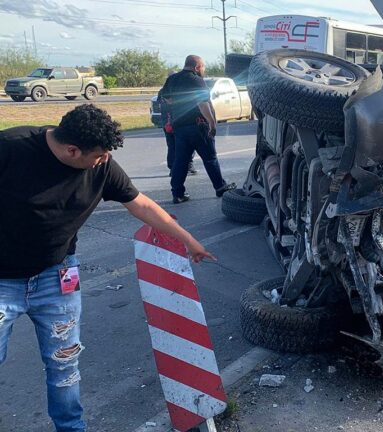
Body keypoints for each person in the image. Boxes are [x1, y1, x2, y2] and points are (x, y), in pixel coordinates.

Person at [0, 104, 214, 432]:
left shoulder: (101, 165)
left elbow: (140, 204)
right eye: (98, 156)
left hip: (57, 278)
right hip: (3, 281)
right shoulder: (11, 149)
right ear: (72, 150)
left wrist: (187, 239)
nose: (104, 161)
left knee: (64, 365)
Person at [160, 55, 235, 204]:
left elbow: (165, 98)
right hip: (198, 126)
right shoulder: (196, 80)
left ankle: (178, 194)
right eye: (203, 67)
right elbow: (202, 103)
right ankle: (220, 187)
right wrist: (212, 123)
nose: (203, 70)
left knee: (181, 161)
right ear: (197, 67)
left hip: (180, 127)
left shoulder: (172, 79)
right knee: (210, 158)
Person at [157, 87, 196, 177]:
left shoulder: (163, 91)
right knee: (184, 145)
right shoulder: (177, 90)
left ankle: (175, 167)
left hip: (167, 123)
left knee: (172, 146)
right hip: (176, 123)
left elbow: (160, 105)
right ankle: (186, 166)